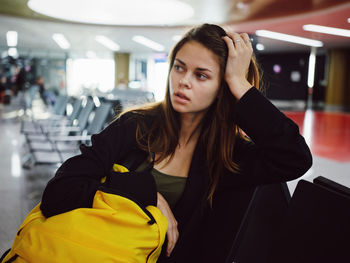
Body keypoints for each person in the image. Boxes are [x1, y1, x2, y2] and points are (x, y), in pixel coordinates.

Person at [40, 24, 312, 262]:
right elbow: (58, 192)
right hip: (93, 249)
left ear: (223, 88)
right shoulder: (135, 125)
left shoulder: (227, 154)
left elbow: (294, 157)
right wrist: (148, 196)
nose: (183, 81)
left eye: (201, 75)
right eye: (179, 68)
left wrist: (239, 83)